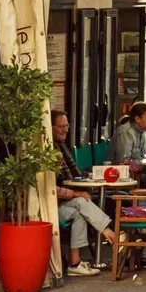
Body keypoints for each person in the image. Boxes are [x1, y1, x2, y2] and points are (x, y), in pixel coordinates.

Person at [51, 111, 116, 276]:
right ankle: (108, 232)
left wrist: (77, 192)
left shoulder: (61, 147)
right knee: (81, 202)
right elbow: (50, 190)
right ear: (50, 128)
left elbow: (71, 178)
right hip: (48, 207)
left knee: (79, 210)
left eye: (67, 126)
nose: (65, 130)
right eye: (61, 126)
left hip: (61, 203)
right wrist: (75, 194)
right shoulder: (47, 153)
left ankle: (75, 263)